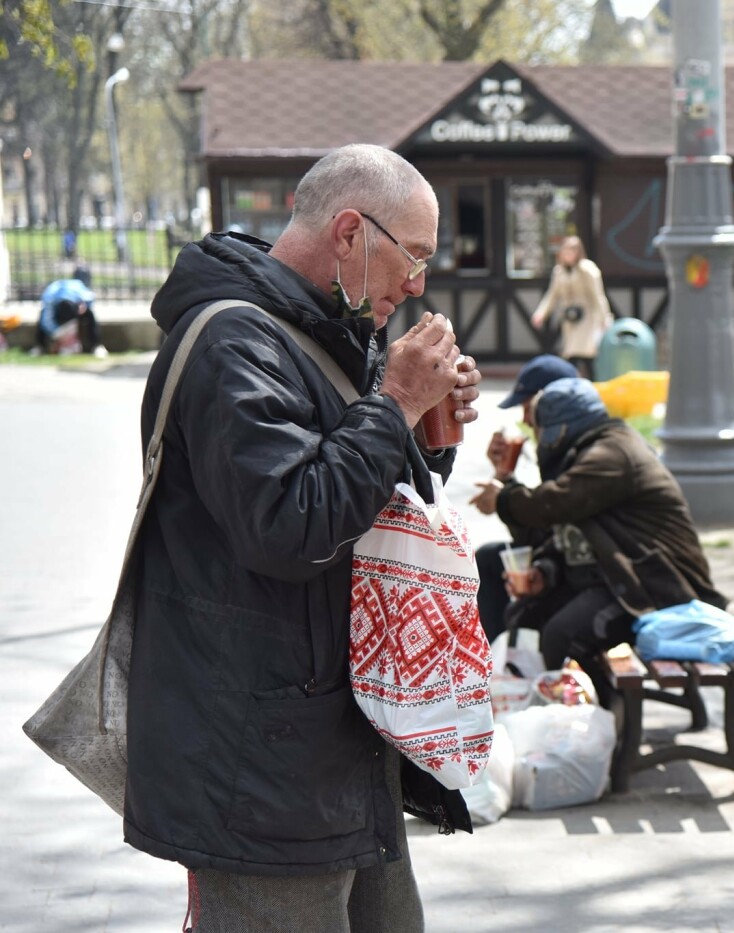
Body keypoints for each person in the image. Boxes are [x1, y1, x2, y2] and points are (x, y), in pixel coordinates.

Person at [124, 143, 484, 932]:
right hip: (257, 766)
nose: (418, 282)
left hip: (333, 747)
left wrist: (424, 435)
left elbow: (363, 517)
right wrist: (392, 403)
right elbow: (293, 525)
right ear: (350, 232)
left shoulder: (323, 327)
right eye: (412, 254)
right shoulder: (233, 342)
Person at [470, 377, 724, 706]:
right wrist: (545, 572)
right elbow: (559, 534)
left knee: (562, 633)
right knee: (525, 613)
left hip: (656, 587)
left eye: (540, 428)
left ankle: (605, 718)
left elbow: (556, 503)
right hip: (619, 579)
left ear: (558, 429)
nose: (538, 438)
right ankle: (550, 707)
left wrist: (505, 497)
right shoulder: (588, 452)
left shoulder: (614, 452)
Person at [474, 353, 580, 643]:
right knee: (489, 558)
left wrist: (504, 494)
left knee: (520, 595)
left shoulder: (576, 450)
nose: (524, 419)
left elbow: (550, 532)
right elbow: (539, 531)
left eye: (528, 407)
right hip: (562, 556)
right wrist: (505, 475)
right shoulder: (557, 446)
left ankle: (508, 668)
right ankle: (496, 664)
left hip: (582, 566)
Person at [530, 235, 613, 379]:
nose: (567, 255)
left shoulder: (587, 269)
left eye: (571, 251)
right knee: (571, 355)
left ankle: (591, 388)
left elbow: (597, 295)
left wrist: (604, 317)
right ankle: (572, 387)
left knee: (586, 355)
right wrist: (541, 313)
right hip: (570, 318)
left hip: (587, 317)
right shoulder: (559, 271)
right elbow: (552, 295)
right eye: (565, 251)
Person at [35, 269, 105, 356]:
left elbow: (89, 299)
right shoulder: (52, 295)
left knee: (90, 314)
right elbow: (46, 319)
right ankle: (40, 346)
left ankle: (96, 346)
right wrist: (56, 332)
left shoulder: (77, 287)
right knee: (41, 315)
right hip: (58, 314)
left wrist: (83, 305)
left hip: (76, 309)